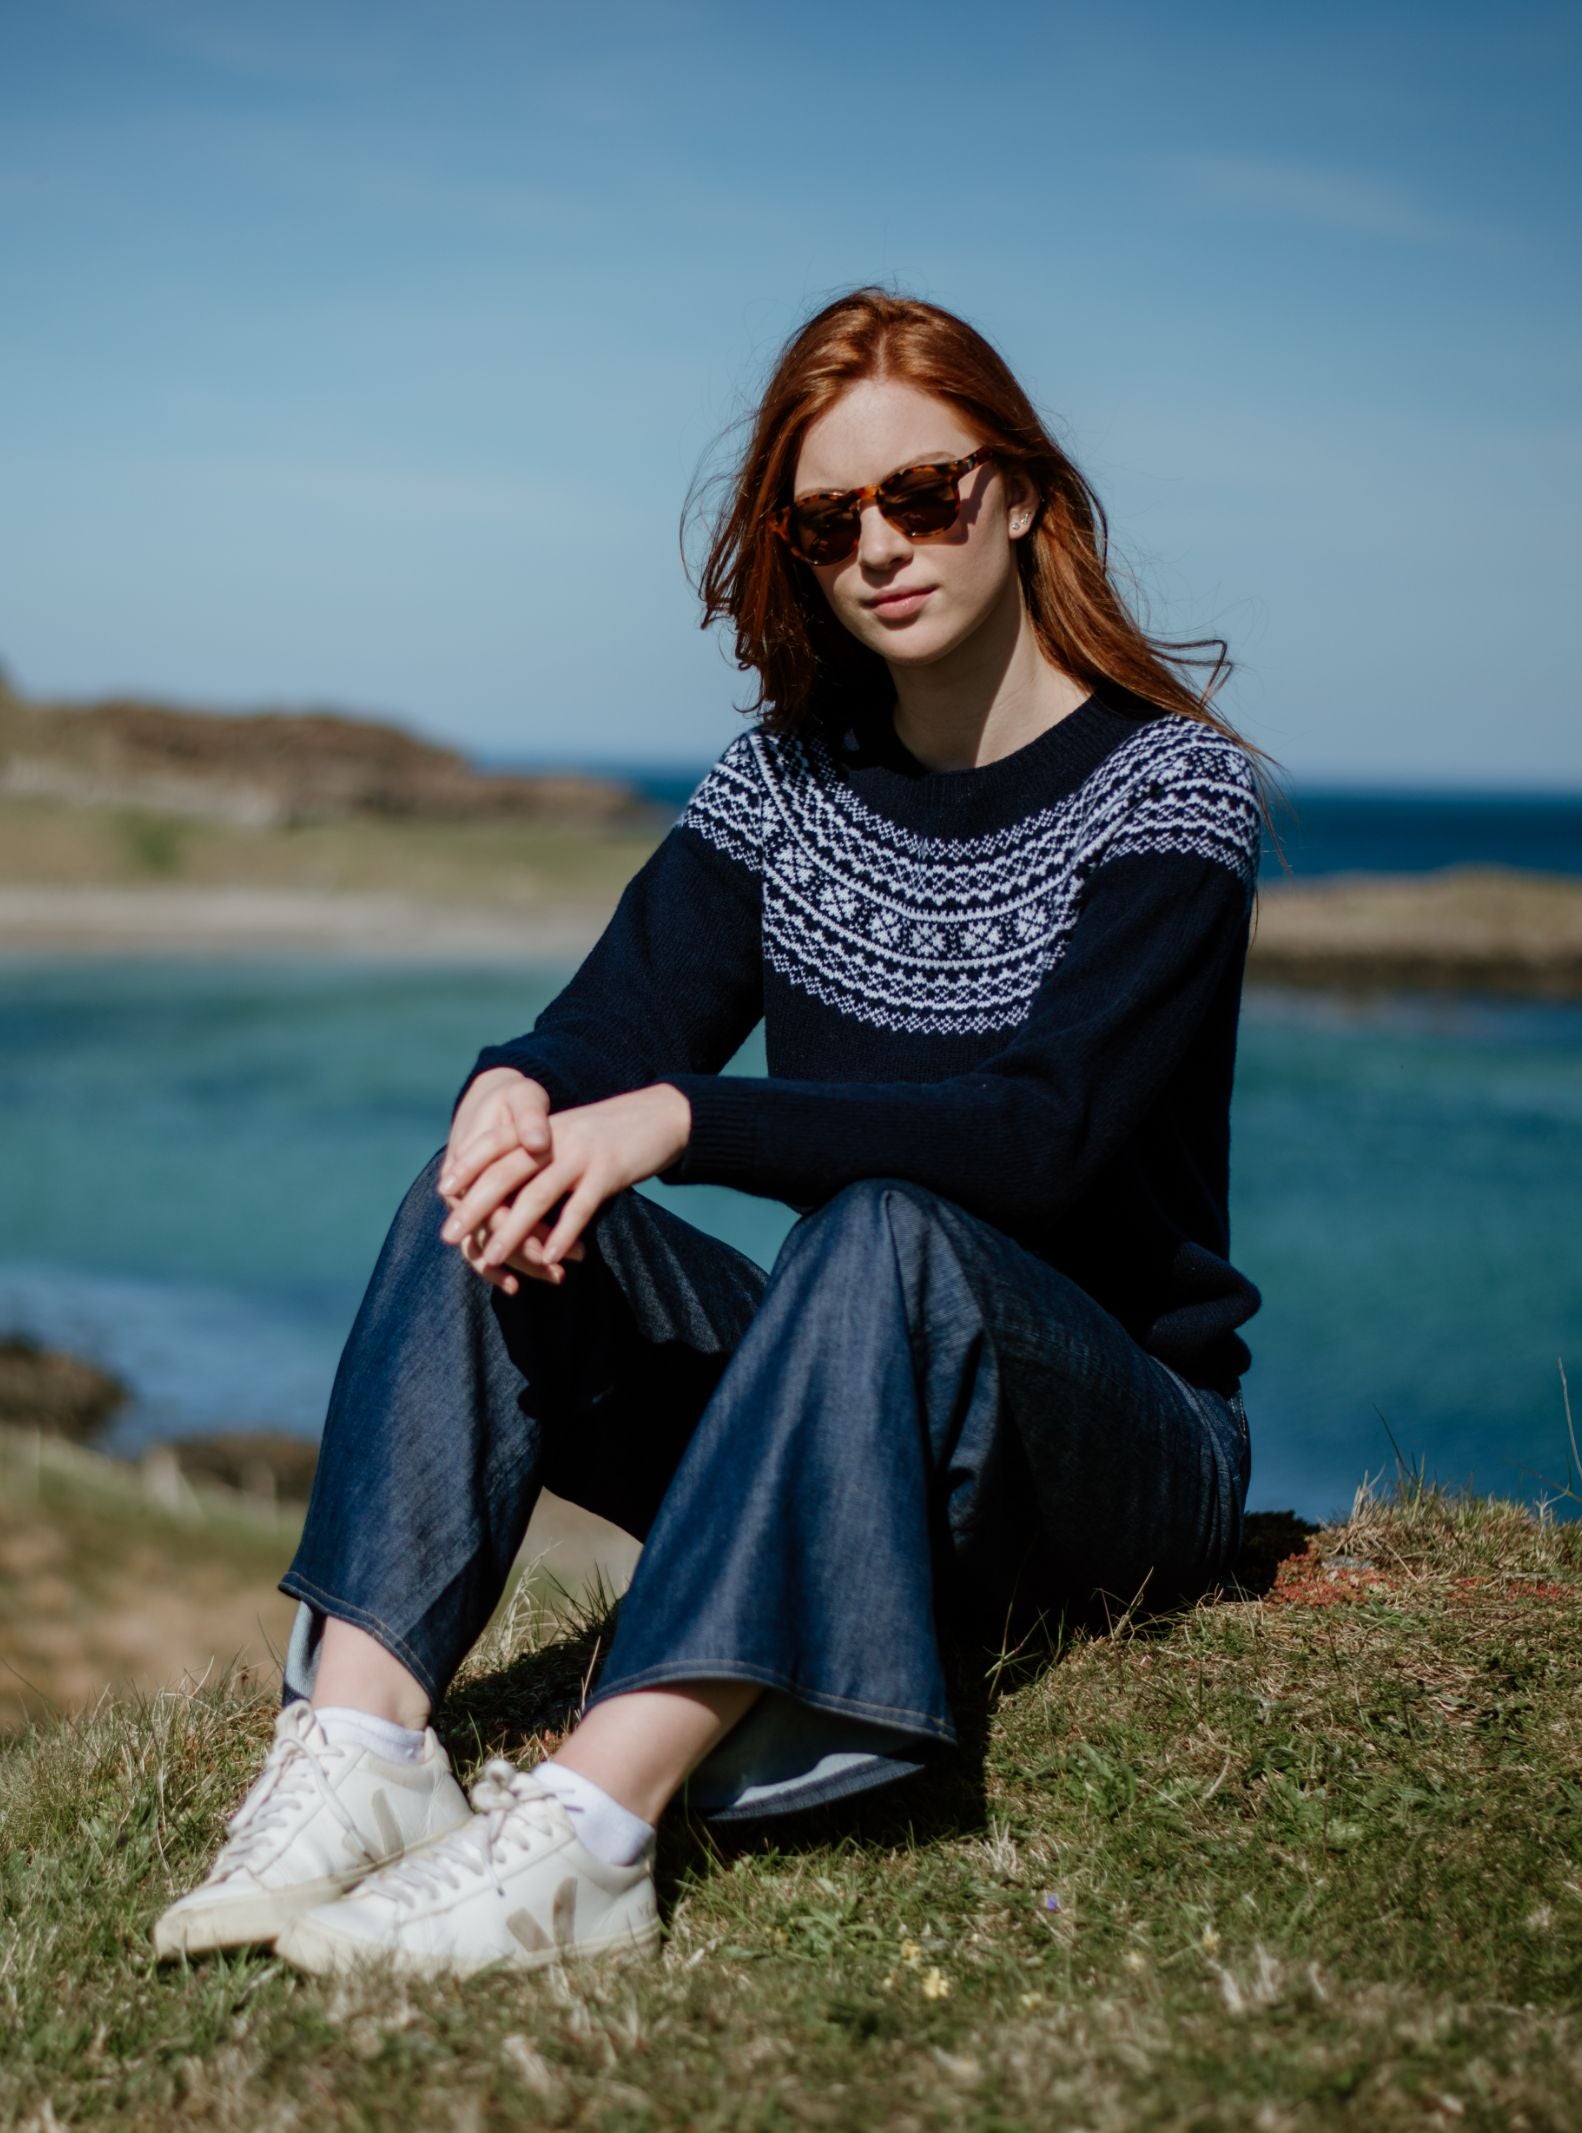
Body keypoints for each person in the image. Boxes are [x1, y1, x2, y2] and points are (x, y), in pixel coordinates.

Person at [153, 285, 1273, 1980]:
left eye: (928, 494)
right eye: (831, 520)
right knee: (502, 1179)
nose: (882, 546)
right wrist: (523, 1085)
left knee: (883, 1225)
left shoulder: (1177, 793)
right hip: (856, 1414)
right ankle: (366, 1743)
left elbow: (1043, 1138)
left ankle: (596, 1824)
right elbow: (614, 1015)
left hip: (1115, 1448)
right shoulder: (784, 784)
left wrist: (682, 1116)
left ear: (1024, 490)